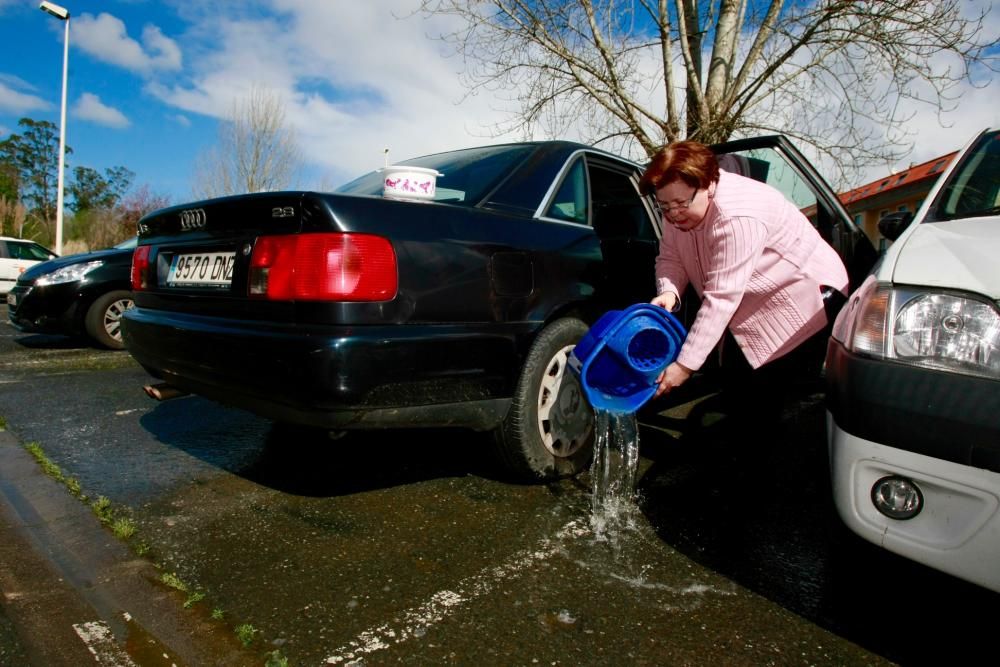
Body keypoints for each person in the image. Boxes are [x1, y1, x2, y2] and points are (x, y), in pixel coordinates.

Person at [639, 140, 848, 422]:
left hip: (803, 299)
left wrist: (684, 367)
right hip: (750, 301)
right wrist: (670, 292)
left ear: (708, 184)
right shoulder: (676, 201)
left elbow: (721, 298)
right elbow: (670, 257)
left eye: (680, 204)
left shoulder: (736, 216)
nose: (674, 214)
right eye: (664, 206)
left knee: (764, 400)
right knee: (740, 395)